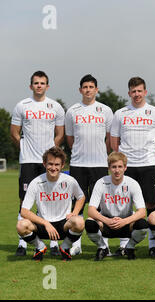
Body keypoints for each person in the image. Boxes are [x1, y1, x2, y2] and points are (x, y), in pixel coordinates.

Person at [10, 70, 65, 256]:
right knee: (24, 201)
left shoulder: (55, 107)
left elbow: (60, 133)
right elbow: (14, 132)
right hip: (28, 162)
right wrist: (24, 148)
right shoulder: (22, 106)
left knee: (52, 200)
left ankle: (54, 244)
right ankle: (23, 243)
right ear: (31, 86)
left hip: (48, 163)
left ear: (47, 86)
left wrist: (51, 152)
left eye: (42, 83)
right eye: (36, 83)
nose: (39, 86)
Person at [110, 77, 155, 257]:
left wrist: (154, 153)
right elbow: (113, 141)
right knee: (125, 205)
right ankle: (125, 245)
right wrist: (122, 161)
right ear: (129, 93)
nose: (137, 94)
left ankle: (153, 244)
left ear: (145, 92)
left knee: (151, 204)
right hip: (128, 167)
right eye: (133, 91)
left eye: (140, 91)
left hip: (148, 165)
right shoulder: (120, 113)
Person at [65, 74, 113, 255]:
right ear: (80, 90)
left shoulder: (106, 111)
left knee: (101, 205)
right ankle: (76, 244)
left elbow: (109, 139)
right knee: (76, 204)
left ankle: (104, 244)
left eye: (91, 87)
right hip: (78, 164)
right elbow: (70, 139)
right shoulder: (72, 111)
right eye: (85, 87)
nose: (88, 90)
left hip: (100, 164)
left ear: (96, 89)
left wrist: (102, 154)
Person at [15, 146, 85, 261]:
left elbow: (81, 197)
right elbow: (24, 211)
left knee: (79, 222)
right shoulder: (36, 182)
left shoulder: (69, 181)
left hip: (63, 224)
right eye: (50, 164)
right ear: (44, 164)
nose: (53, 168)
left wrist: (75, 212)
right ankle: (40, 247)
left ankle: (65, 247)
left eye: (57, 164)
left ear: (62, 165)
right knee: (21, 225)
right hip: (42, 225)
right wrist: (46, 223)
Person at [85, 152, 148, 261]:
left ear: (125, 167)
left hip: (126, 222)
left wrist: (124, 221)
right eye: (114, 167)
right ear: (109, 168)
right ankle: (103, 247)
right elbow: (90, 210)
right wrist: (107, 221)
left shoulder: (132, 184)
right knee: (89, 223)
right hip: (106, 221)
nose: (117, 170)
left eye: (120, 167)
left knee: (142, 225)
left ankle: (130, 247)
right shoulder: (101, 183)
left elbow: (142, 212)